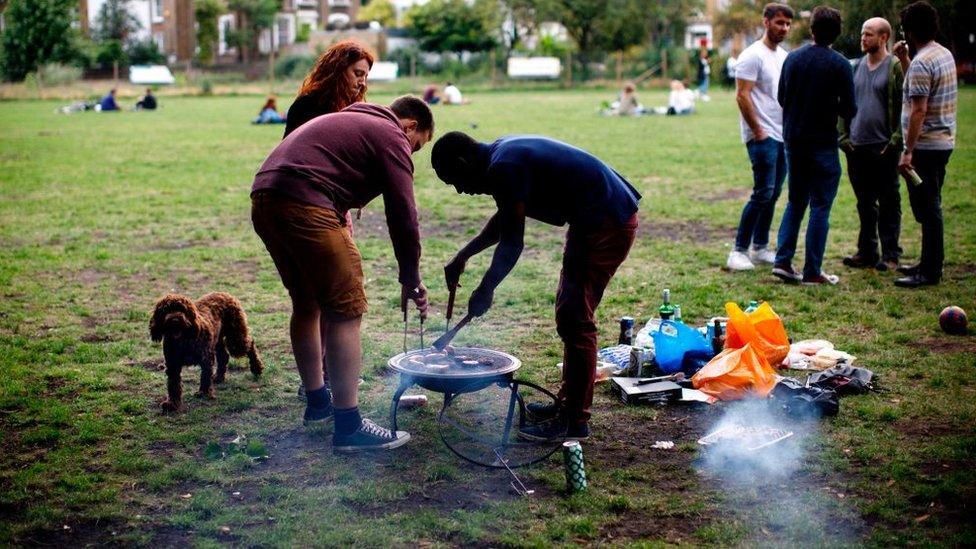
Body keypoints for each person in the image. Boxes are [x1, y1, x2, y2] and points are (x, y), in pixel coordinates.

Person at [250, 96, 434, 452]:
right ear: (410, 125)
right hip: (306, 202)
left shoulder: (353, 119)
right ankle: (349, 427)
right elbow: (403, 213)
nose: (411, 153)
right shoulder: (391, 133)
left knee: (306, 303)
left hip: (265, 197)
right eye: (417, 145)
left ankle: (319, 404)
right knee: (347, 309)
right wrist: (411, 278)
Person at [431, 132, 641, 441]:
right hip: (593, 218)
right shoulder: (500, 156)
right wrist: (464, 255)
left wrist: (485, 289)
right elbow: (507, 217)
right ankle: (567, 406)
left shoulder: (504, 166)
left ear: (463, 163)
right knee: (570, 315)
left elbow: (513, 242)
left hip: (607, 222)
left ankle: (574, 421)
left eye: (455, 181)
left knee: (576, 320)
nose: (461, 191)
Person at [772, 5, 856, 286]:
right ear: (837, 33)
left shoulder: (793, 59)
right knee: (821, 205)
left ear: (811, 29)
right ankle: (812, 270)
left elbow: (782, 97)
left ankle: (783, 261)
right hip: (823, 144)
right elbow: (850, 110)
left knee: (795, 201)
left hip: (794, 141)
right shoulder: (841, 65)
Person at [892, 1, 956, 288]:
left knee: (928, 208)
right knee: (931, 205)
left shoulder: (922, 62)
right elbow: (916, 86)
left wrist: (908, 151)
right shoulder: (942, 54)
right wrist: (905, 59)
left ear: (910, 29)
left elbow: (918, 108)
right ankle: (929, 262)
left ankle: (930, 271)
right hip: (942, 142)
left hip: (925, 147)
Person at [726, 3, 793, 272]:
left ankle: (761, 246)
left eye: (788, 24)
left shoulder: (784, 56)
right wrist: (758, 131)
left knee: (774, 193)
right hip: (761, 135)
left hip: (782, 135)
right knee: (762, 192)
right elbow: (742, 95)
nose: (784, 28)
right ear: (765, 22)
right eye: (779, 23)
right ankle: (738, 250)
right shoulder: (752, 55)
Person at [838, 17, 904, 272]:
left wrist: (896, 140)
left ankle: (890, 255)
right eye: (862, 34)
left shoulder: (895, 66)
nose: (863, 38)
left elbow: (903, 105)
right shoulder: (855, 66)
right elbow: (844, 104)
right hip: (857, 147)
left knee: (889, 202)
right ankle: (866, 251)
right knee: (864, 203)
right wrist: (843, 137)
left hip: (884, 147)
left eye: (869, 34)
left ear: (883, 37)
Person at [283, 39, 373, 138]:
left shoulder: (353, 108)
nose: (363, 83)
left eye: (365, 77)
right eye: (358, 74)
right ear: (338, 70)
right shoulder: (306, 105)